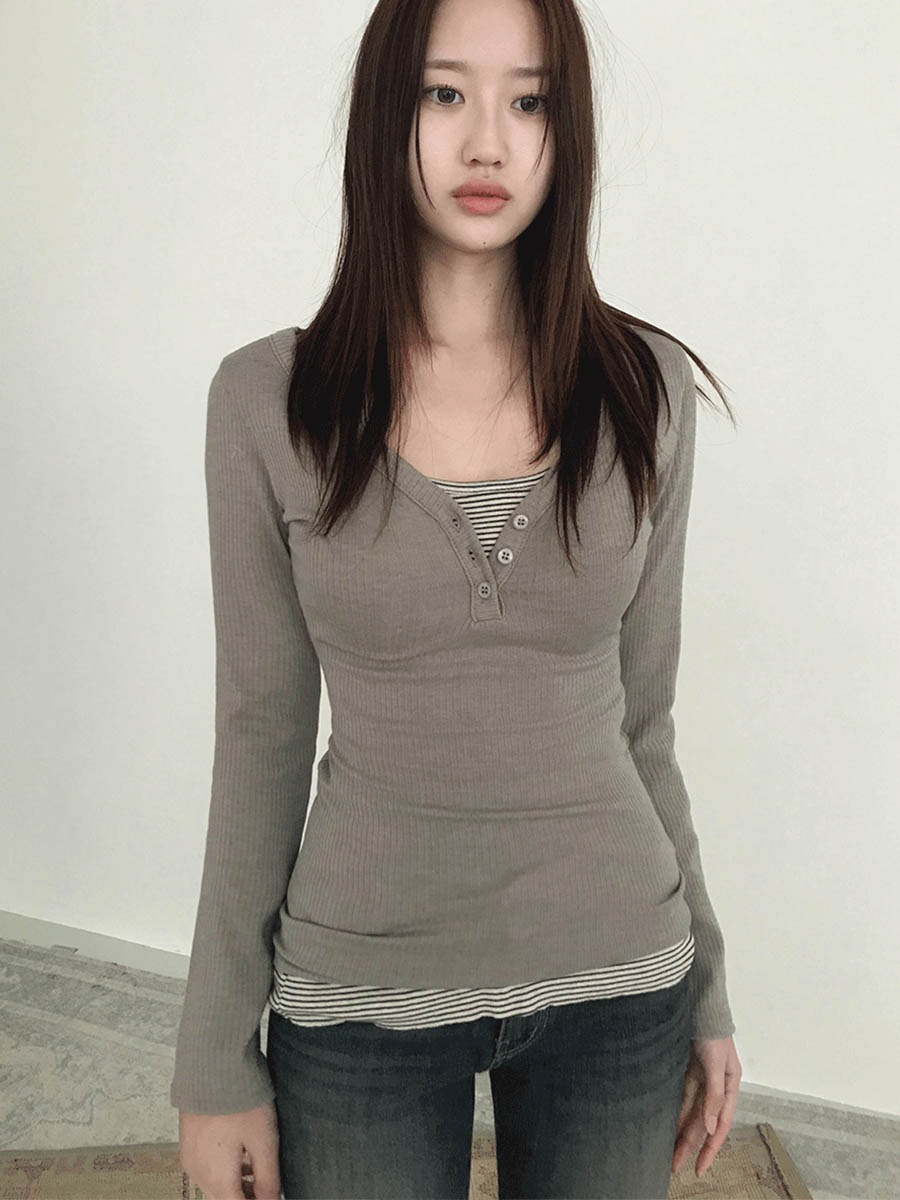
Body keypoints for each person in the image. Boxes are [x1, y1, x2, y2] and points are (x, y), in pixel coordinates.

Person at [173, 0, 743, 1196]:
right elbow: (260, 736)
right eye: (445, 93)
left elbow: (645, 724)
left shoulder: (645, 390)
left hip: (621, 983)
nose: (488, 141)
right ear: (388, 109)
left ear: (567, 130)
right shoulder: (266, 404)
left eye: (529, 100)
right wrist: (214, 1060)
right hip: (357, 999)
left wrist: (709, 991)